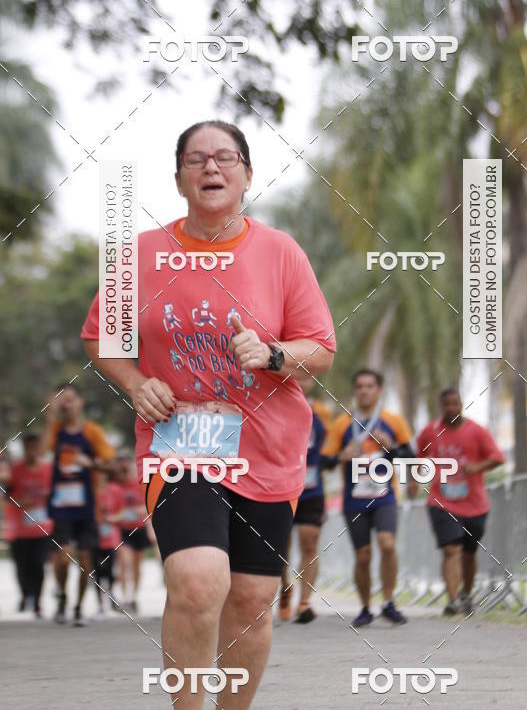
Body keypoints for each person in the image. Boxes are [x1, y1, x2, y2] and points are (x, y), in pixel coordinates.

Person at [81, 120, 336, 708]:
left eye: (226, 158)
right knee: (197, 583)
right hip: (179, 444)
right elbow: (101, 337)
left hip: (266, 451)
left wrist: (273, 354)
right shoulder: (140, 254)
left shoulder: (280, 252)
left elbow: (320, 349)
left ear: (247, 174)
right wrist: (136, 381)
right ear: (178, 180)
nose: (211, 169)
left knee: (249, 602)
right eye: (196, 160)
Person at [321, 369, 413, 627]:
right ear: (355, 390)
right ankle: (364, 608)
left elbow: (411, 457)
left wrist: (391, 449)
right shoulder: (342, 424)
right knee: (362, 555)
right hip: (355, 500)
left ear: (379, 390)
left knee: (387, 544)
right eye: (360, 386)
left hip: (384, 496)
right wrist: (340, 457)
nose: (364, 391)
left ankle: (388, 602)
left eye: (370, 386)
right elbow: (324, 461)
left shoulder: (392, 421)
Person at [414, 387, 505, 615]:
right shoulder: (430, 431)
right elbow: (419, 458)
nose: (451, 408)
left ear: (461, 404)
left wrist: (477, 467)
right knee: (451, 549)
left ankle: (466, 593)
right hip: (442, 502)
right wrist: (416, 480)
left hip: (475, 504)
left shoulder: (477, 432)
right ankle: (453, 600)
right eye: (447, 404)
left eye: (455, 403)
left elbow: (498, 457)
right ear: (441, 407)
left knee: (468, 552)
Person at [41, 382, 116, 626]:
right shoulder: (54, 429)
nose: (66, 404)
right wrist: (49, 414)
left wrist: (90, 464)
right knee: (63, 558)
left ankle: (78, 607)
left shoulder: (92, 432)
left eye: (70, 399)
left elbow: (111, 465)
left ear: (80, 402)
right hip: (62, 507)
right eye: (61, 400)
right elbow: (42, 451)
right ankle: (62, 597)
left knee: (85, 561)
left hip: (87, 508)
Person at [278, 376, 331, 624]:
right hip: (281, 488)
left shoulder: (323, 412)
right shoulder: (275, 402)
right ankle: (284, 586)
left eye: (308, 375)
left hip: (312, 490)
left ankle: (304, 602)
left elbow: (331, 448)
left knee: (309, 543)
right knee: (280, 550)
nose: (303, 379)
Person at [4, 433, 53, 617]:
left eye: (35, 446)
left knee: (38, 565)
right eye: (28, 447)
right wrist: (17, 502)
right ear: (24, 448)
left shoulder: (48, 469)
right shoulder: (14, 470)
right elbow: (4, 496)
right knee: (22, 567)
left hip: (42, 528)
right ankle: (26, 595)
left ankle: (37, 602)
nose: (32, 451)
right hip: (18, 531)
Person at [115, 451, 150, 613]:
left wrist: (137, 510)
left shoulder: (140, 482)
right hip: (123, 529)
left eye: (125, 462)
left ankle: (134, 596)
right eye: (120, 463)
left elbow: (149, 505)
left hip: (139, 528)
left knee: (136, 565)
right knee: (124, 562)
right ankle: (125, 596)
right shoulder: (115, 485)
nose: (123, 467)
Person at [92, 464, 124, 618]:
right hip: (94, 537)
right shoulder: (90, 491)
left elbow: (121, 512)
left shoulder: (115, 490)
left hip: (111, 537)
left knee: (110, 571)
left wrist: (113, 518)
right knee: (97, 571)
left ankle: (111, 596)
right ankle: (100, 604)